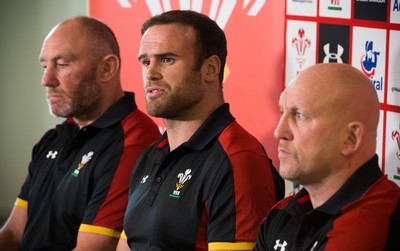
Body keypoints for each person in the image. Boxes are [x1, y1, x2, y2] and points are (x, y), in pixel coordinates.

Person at [116, 10, 284, 251]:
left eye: (166, 60)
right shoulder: (150, 155)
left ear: (211, 69)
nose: (150, 73)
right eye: (145, 61)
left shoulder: (238, 160)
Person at [0, 16, 161, 250]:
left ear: (107, 68)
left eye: (62, 64)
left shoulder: (134, 139)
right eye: (45, 66)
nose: (46, 80)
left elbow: (95, 248)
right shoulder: (52, 139)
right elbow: (14, 232)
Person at [254, 63, 400, 251]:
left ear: (350, 138)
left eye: (299, 115)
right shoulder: (282, 214)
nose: (278, 132)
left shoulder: (371, 222)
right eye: (282, 112)